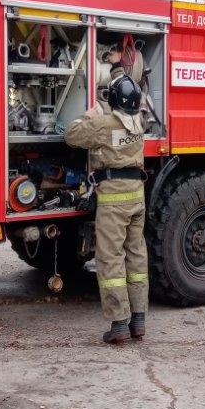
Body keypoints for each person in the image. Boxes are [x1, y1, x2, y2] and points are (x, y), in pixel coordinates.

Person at [64, 74, 148, 344]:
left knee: (110, 259)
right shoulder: (140, 122)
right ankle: (138, 321)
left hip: (113, 199)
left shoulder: (103, 124)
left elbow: (71, 135)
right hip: (137, 196)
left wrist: (90, 115)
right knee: (136, 257)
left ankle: (119, 324)